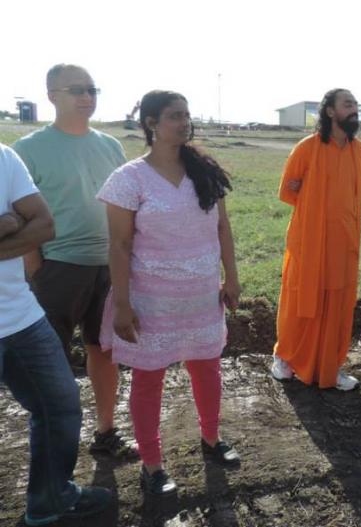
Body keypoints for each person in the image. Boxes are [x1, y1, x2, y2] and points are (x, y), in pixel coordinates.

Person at [98, 90, 241, 495]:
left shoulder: (205, 172)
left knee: (207, 369)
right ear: (151, 123)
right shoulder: (128, 179)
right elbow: (120, 246)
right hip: (151, 301)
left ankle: (211, 440)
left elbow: (223, 228)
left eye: (187, 115)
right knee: (148, 379)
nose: (184, 122)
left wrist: (230, 277)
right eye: (175, 116)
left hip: (200, 297)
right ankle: (153, 465)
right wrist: (123, 305)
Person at [13, 63, 136, 459]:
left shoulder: (110, 145)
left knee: (104, 351)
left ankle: (105, 432)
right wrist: (35, 266)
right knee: (52, 360)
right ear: (52, 95)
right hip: (59, 268)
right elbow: (20, 214)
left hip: (108, 266)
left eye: (92, 89)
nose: (87, 97)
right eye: (76, 90)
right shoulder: (28, 149)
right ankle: (56, 450)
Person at [1, 143, 112, 526]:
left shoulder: (3, 157)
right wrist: (11, 223)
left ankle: (50, 499)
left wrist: (16, 224)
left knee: (60, 407)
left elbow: (44, 225)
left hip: (21, 318)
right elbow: (25, 225)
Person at [271, 88, 361, 391]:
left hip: (344, 243)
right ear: (330, 111)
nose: (354, 110)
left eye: (355, 105)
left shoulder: (360, 150)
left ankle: (331, 366)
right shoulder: (307, 148)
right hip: (309, 242)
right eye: (347, 104)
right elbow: (288, 191)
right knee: (301, 299)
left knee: (338, 304)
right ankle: (284, 358)